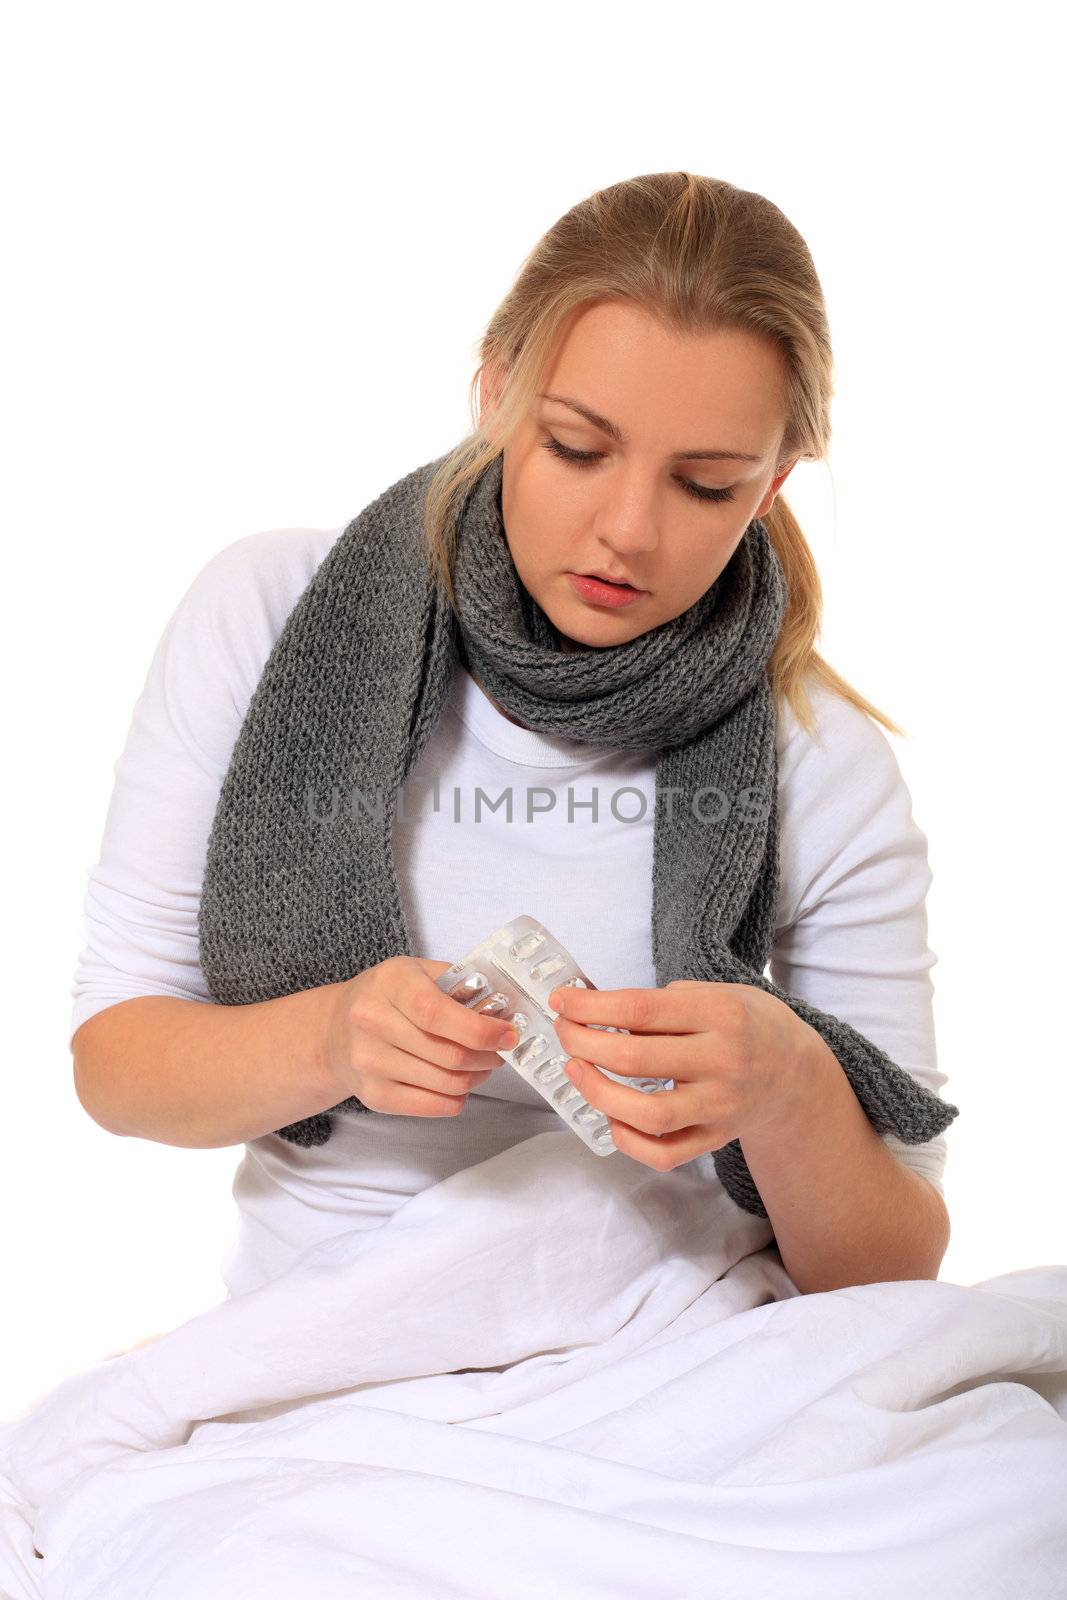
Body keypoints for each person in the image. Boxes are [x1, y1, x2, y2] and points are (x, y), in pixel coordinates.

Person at [69, 170, 951, 1301]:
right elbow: (117, 1067)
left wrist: (785, 1085)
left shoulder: (822, 762)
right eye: (578, 448)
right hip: (331, 1334)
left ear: (771, 485)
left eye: (703, 485)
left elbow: (892, 1270)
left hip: (679, 1338)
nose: (626, 531)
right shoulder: (268, 612)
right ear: (494, 393)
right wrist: (333, 1037)